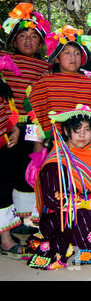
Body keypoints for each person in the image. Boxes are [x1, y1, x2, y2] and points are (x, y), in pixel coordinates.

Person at [23, 104, 91, 269]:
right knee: (86, 217)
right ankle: (86, 247)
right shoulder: (56, 160)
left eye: (87, 129)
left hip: (89, 206)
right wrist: (87, 204)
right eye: (76, 129)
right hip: (60, 215)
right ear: (65, 131)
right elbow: (53, 199)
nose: (82, 134)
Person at [1, 3, 51, 229]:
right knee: (6, 172)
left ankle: (26, 221)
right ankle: (5, 225)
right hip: (7, 127)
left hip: (34, 127)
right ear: (13, 40)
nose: (29, 41)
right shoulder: (3, 61)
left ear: (41, 42)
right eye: (23, 35)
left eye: (34, 36)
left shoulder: (48, 67)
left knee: (30, 169)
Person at [27, 25, 91, 142]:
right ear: (56, 59)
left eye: (77, 53)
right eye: (67, 53)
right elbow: (33, 112)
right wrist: (35, 143)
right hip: (51, 144)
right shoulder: (44, 83)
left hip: (83, 144)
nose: (73, 57)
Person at [0, 55, 23, 258]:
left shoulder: (2, 81)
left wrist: (14, 129)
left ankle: (5, 239)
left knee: (3, 187)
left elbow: (8, 110)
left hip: (2, 142)